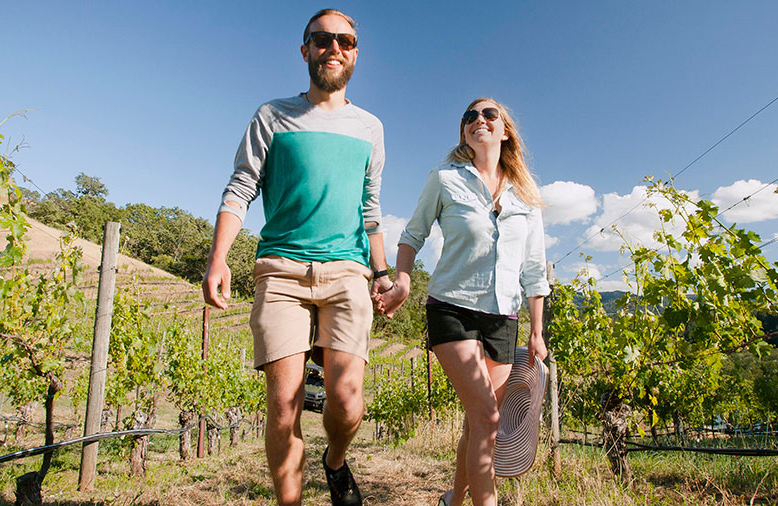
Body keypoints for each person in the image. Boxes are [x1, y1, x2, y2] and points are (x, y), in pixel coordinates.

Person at [201, 9, 390, 506]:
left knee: (347, 406)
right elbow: (241, 187)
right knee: (283, 408)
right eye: (322, 39)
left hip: (348, 272)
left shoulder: (370, 127)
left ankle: (334, 461)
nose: (334, 48)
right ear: (304, 48)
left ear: (355, 53)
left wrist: (384, 271)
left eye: (345, 41)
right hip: (281, 271)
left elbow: (370, 210)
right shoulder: (271, 115)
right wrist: (218, 259)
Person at [376, 98, 549, 506]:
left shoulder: (525, 197)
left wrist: (537, 330)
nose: (478, 120)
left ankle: (453, 500)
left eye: (489, 115)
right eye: (469, 116)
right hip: (451, 308)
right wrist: (402, 279)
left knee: (478, 423)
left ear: (505, 130)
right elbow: (411, 236)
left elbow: (535, 270)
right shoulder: (445, 178)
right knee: (488, 417)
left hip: (503, 319)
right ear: (464, 132)